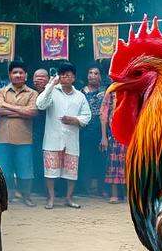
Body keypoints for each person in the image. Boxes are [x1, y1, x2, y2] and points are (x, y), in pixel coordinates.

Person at [36, 63, 91, 209]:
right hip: (53, 138)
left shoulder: (80, 96)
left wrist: (75, 120)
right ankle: (51, 199)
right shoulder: (52, 91)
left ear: (74, 77)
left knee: (71, 171)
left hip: (71, 138)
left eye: (69, 75)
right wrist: (51, 85)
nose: (66, 77)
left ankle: (69, 198)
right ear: (59, 76)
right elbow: (40, 104)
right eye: (63, 75)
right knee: (50, 170)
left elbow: (87, 115)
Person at [0, 61, 39, 206]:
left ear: (26, 75)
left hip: (24, 138)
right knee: (3, 170)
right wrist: (21, 110)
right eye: (14, 72)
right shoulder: (2, 91)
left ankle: (27, 197)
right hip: (3, 138)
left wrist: (7, 106)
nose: (18, 75)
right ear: (10, 75)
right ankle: (6, 196)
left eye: (21, 73)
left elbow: (32, 112)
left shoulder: (33, 93)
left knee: (26, 170)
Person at [80, 66, 106, 196]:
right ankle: (85, 189)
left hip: (101, 129)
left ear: (100, 76)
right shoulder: (80, 92)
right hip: (84, 130)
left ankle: (101, 188)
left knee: (101, 159)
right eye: (90, 73)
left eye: (96, 73)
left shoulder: (105, 92)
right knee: (85, 159)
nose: (92, 75)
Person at [99, 90, 127, 205]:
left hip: (131, 133)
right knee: (113, 163)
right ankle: (114, 194)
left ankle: (128, 194)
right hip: (114, 133)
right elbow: (104, 115)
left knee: (129, 164)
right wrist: (104, 137)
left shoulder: (134, 89)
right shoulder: (112, 91)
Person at [30, 68, 49, 198]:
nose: (40, 79)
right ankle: (35, 189)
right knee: (34, 159)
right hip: (32, 131)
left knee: (48, 161)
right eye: (37, 77)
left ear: (48, 79)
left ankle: (48, 190)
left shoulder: (53, 91)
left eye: (43, 77)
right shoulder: (29, 92)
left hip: (49, 131)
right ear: (32, 79)